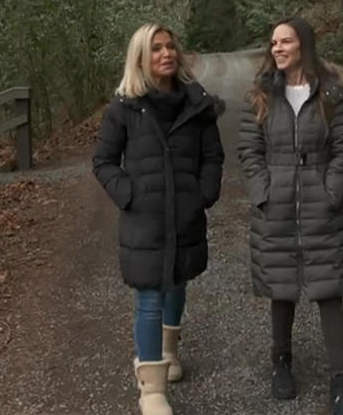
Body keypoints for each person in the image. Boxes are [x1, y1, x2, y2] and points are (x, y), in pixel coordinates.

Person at [93, 23, 224, 415]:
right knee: (149, 296)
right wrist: (129, 194)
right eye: (156, 49)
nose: (166, 53)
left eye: (170, 46)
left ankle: (169, 353)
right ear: (140, 58)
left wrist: (204, 193)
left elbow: (213, 155)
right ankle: (151, 390)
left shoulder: (197, 105)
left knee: (178, 281)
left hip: (185, 215)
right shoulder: (124, 107)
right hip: (144, 221)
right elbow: (102, 161)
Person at [237, 17, 343, 415]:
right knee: (282, 287)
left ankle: (341, 382)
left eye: (285, 41)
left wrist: (331, 190)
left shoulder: (330, 94)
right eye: (273, 42)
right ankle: (280, 363)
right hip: (275, 207)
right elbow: (249, 151)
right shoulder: (260, 95)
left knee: (329, 291)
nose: (276, 48)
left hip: (321, 206)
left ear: (303, 46)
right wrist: (263, 192)